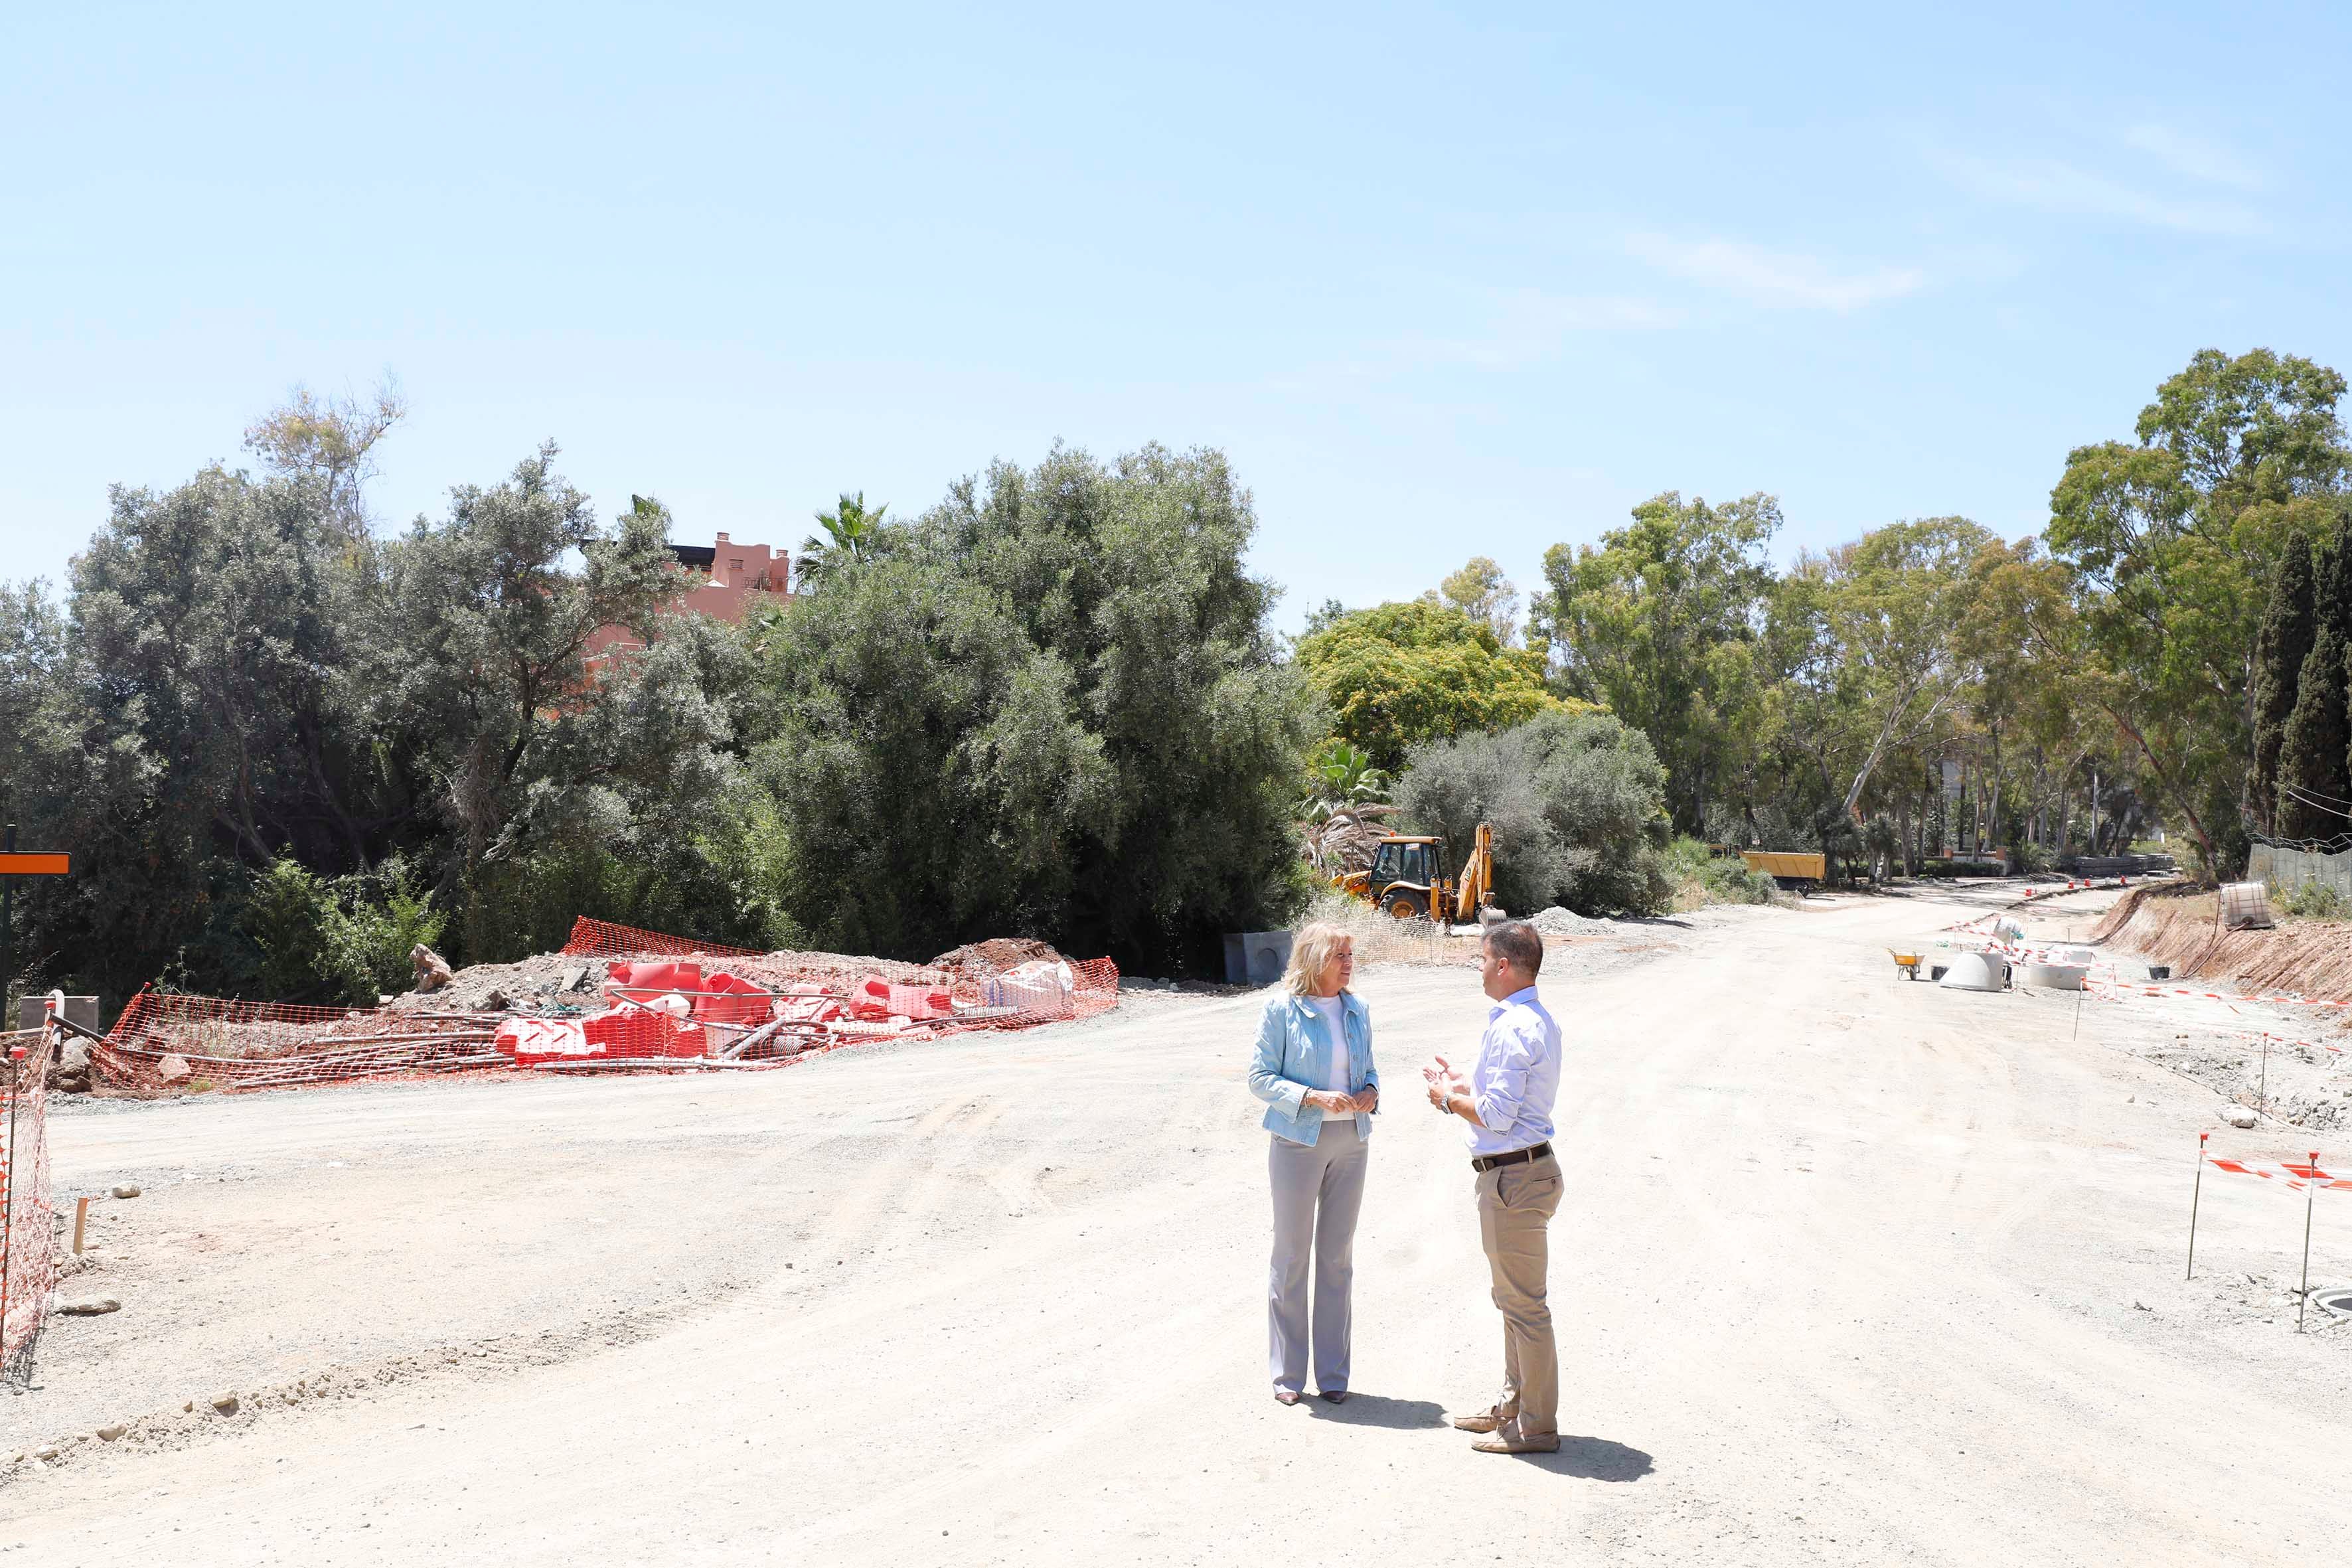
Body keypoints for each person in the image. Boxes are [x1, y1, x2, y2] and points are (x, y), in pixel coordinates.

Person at [1423, 919, 1563, 1454]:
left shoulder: (1510, 1027)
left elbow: (1498, 1117)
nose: (1479, 969)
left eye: (1481, 960)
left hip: (1513, 1178)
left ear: (1503, 965)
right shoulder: (1533, 1018)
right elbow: (1510, 1099)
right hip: (1523, 1174)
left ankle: (1534, 1426)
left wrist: (1446, 1099)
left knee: (1524, 1308)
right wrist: (1468, 1085)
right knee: (1513, 1302)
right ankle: (1512, 1408)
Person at [1247, 923, 1379, 1407]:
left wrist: (1371, 1091)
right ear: (1314, 959)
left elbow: (1368, 1069)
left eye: (1350, 955)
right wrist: (1310, 1096)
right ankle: (1287, 1376)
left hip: (1352, 1142)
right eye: (1339, 955)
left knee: (1337, 1258)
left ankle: (1333, 1375)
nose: (1348, 963)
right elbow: (1259, 1078)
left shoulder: (1358, 1009)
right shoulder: (1280, 1010)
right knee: (1291, 1256)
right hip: (1297, 1141)